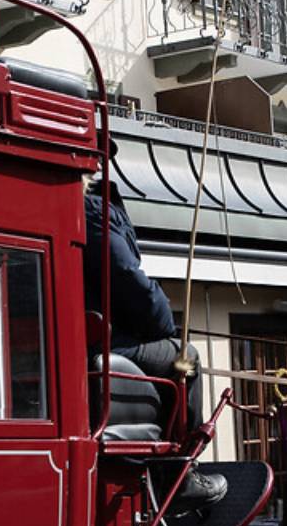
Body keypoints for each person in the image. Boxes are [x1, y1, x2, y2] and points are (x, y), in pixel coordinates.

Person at [84, 186, 228, 507]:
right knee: (184, 356)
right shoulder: (93, 210)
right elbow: (128, 281)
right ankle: (181, 475)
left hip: (75, 340)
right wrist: (163, 323)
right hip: (100, 344)